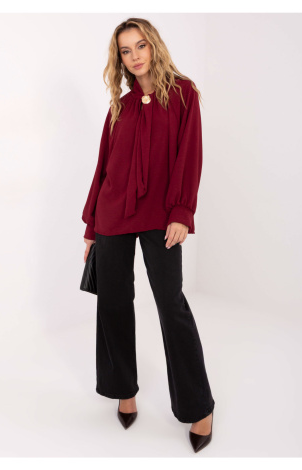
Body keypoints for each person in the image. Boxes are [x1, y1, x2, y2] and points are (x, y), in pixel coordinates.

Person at [81, 18, 215, 453]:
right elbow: (103, 168)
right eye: (126, 50)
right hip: (113, 216)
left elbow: (189, 156)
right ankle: (124, 390)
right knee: (113, 302)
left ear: (154, 46)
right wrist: (92, 227)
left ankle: (198, 406)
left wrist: (181, 212)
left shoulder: (184, 94)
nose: (135, 55)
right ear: (119, 58)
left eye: (141, 45)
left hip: (161, 215)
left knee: (171, 305)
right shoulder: (119, 106)